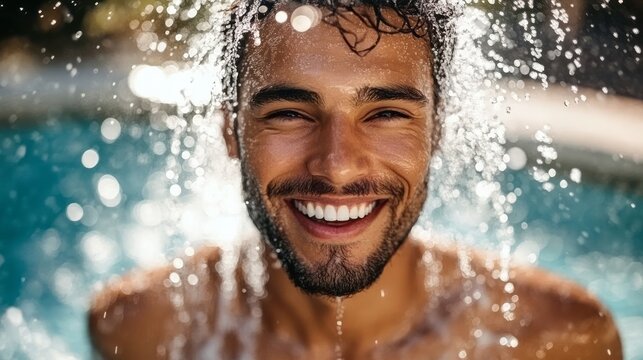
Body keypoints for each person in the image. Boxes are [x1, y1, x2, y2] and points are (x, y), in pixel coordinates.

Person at [89, 1, 622, 358]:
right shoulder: (143, 328)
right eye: (289, 114)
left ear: (436, 131)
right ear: (232, 133)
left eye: (387, 113)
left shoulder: (553, 340)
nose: (337, 165)